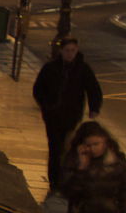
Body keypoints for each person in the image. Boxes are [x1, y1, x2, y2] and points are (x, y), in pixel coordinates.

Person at [32, 36, 103, 192]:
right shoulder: (51, 68)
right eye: (67, 51)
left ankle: (65, 180)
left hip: (72, 116)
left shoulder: (83, 69)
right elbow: (38, 89)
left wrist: (94, 108)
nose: (70, 54)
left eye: (73, 51)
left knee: (68, 147)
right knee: (55, 148)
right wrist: (46, 106)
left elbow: (93, 89)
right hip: (53, 116)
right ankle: (54, 180)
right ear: (61, 51)